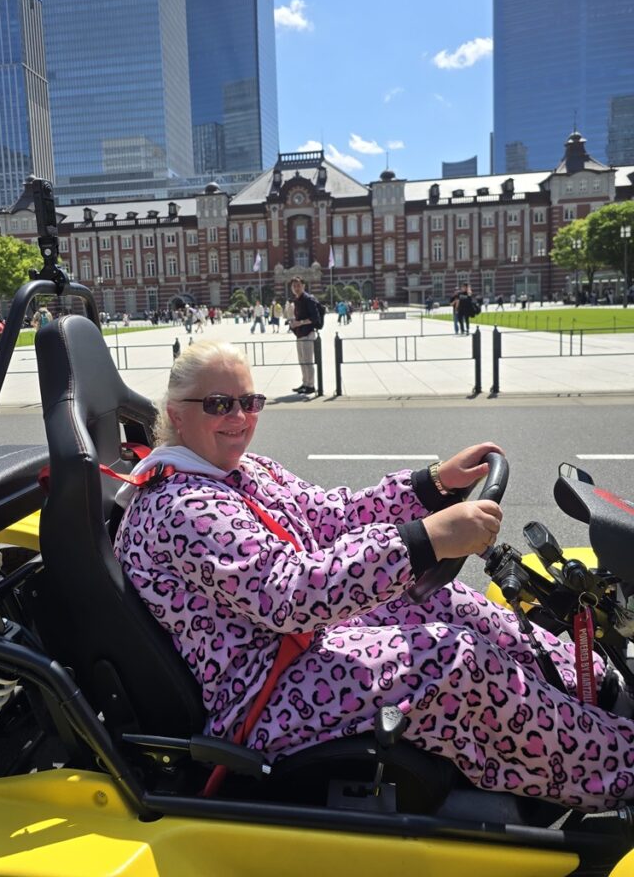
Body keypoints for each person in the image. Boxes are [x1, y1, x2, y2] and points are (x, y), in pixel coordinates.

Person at [113, 341, 634, 812]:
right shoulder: (181, 505)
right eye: (220, 404)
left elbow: (328, 516)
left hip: (299, 645)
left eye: (250, 402)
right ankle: (617, 765)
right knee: (451, 660)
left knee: (448, 603)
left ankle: (602, 697)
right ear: (176, 416)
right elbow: (289, 593)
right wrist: (424, 540)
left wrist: (432, 485)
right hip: (261, 695)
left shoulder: (238, 470)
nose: (240, 418)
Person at [289, 276, 318, 395]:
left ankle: (310, 385)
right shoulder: (297, 300)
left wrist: (299, 322)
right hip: (300, 334)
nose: (296, 288)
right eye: (294, 286)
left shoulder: (308, 299)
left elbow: (315, 318)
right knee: (302, 361)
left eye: (298, 285)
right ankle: (305, 383)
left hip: (307, 333)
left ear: (303, 286)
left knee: (307, 361)